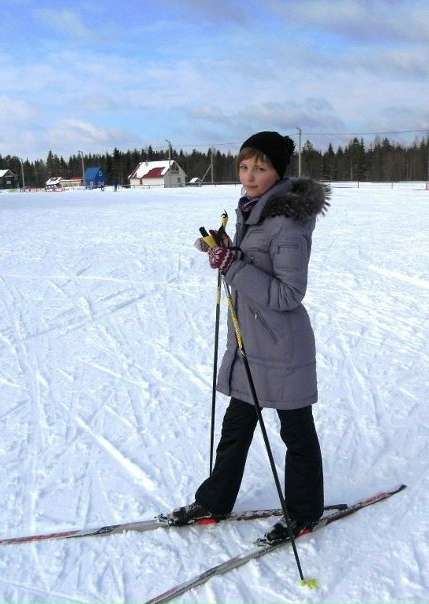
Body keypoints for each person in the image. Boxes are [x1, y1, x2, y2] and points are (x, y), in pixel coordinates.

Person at [170, 131, 330, 544]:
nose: (250, 175)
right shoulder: (251, 212)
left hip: (281, 345)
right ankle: (215, 501)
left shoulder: (287, 222)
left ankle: (305, 513)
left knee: (296, 434)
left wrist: (233, 266)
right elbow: (251, 267)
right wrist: (227, 251)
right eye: (244, 166)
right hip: (249, 344)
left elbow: (287, 293)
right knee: (235, 430)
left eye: (260, 167)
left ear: (278, 172)